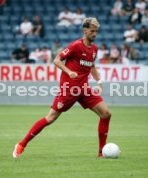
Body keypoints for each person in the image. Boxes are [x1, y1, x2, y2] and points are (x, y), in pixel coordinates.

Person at [13, 17, 112, 158]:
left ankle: (101, 152)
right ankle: (21, 145)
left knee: (106, 114)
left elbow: (92, 66)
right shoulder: (75, 46)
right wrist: (69, 71)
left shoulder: (94, 49)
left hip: (83, 89)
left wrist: (99, 81)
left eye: (96, 31)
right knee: (51, 118)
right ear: (85, 31)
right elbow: (57, 60)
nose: (95, 34)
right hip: (69, 89)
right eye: (92, 31)